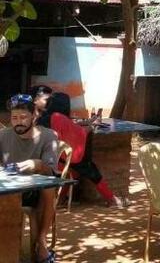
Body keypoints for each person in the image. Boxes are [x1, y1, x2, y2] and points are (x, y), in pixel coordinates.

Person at [38, 92, 124, 208]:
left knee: (72, 172)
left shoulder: (44, 119)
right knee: (91, 170)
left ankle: (61, 199)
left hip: (48, 160)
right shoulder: (60, 118)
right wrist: (92, 126)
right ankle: (111, 199)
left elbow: (71, 126)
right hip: (62, 160)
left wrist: (87, 122)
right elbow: (79, 132)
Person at [0, 94, 58, 263]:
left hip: (34, 192)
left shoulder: (48, 136)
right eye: (14, 117)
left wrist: (37, 164)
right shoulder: (3, 136)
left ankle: (41, 241)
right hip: (6, 190)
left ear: (34, 116)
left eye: (23, 117)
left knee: (49, 188)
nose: (18, 121)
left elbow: (51, 172)